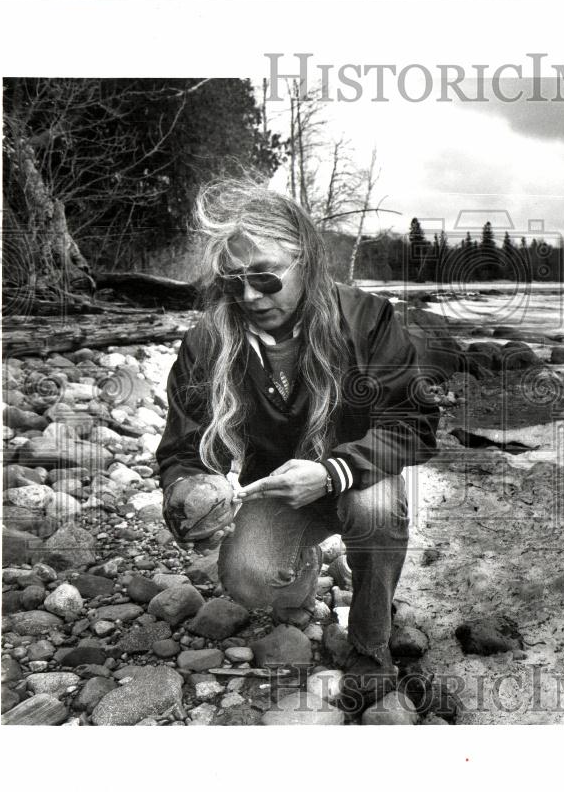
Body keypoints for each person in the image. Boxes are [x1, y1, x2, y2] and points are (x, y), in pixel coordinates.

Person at [155, 180, 440, 706]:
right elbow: (181, 450)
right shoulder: (206, 341)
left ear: (306, 260)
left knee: (375, 507)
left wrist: (333, 471)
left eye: (265, 278)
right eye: (233, 281)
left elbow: (415, 424)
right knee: (246, 579)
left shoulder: (369, 320)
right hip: (274, 493)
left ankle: (370, 643)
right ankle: (300, 578)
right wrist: (187, 490)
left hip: (360, 479)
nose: (249, 297)